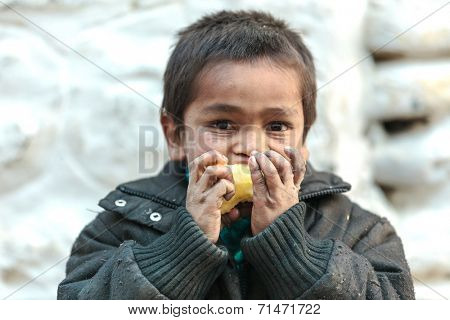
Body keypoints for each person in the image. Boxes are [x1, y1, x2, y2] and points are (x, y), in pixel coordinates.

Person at [58, 10, 415, 299]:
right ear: (176, 135)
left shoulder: (359, 230)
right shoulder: (117, 228)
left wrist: (289, 245)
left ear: (304, 140)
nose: (252, 147)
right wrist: (185, 245)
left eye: (276, 126)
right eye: (224, 124)